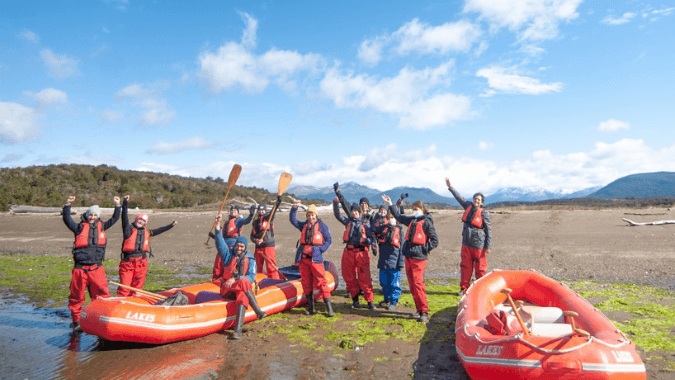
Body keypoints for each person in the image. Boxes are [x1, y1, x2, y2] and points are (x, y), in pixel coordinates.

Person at [62, 195, 121, 332]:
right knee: (77, 296)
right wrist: (67, 205)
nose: (92, 217)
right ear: (87, 215)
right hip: (80, 269)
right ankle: (76, 321)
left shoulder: (103, 226)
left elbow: (115, 219)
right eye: (90, 215)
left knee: (102, 295)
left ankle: (100, 318)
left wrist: (117, 205)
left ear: (98, 216)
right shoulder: (78, 228)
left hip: (96, 268)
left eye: (95, 215)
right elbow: (67, 219)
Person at [382, 194, 438, 322]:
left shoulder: (427, 222)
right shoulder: (412, 220)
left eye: (417, 209)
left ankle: (424, 311)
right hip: (408, 255)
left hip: (419, 258)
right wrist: (391, 203)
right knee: (412, 285)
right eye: (413, 209)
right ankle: (418, 310)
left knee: (418, 284)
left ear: (422, 209)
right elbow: (398, 216)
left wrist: (424, 249)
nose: (415, 211)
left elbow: (435, 241)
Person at [213, 214, 265, 340]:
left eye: (242, 246)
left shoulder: (250, 259)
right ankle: (258, 311)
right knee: (243, 284)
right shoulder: (228, 256)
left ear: (245, 248)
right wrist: (218, 227)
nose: (239, 248)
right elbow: (220, 243)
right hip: (227, 289)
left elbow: (251, 277)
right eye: (237, 246)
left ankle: (237, 331)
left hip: (240, 287)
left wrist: (236, 278)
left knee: (242, 292)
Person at [117, 195, 177, 297]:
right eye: (140, 219)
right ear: (136, 219)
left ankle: (136, 302)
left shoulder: (147, 232)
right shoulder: (128, 229)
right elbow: (124, 217)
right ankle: (123, 303)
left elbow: (159, 230)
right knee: (125, 287)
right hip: (128, 263)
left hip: (141, 262)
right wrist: (125, 202)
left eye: (143, 220)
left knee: (138, 287)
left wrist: (171, 225)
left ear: (146, 223)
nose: (141, 221)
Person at [445, 178, 492, 295]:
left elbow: (488, 230)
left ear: (481, 202)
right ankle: (464, 288)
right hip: (466, 243)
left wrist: (488, 246)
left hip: (479, 245)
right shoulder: (468, 206)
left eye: (479, 200)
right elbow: (459, 197)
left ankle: (480, 289)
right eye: (475, 199)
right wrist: (450, 187)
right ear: (473, 199)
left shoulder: (484, 213)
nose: (476, 201)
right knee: (465, 267)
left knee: (480, 269)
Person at [289, 200, 334, 317]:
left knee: (321, 282)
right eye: (309, 215)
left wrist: (321, 249)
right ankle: (311, 308)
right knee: (306, 283)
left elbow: (329, 240)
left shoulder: (322, 226)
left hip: (316, 259)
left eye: (312, 214)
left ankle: (329, 308)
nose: (310, 217)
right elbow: (293, 221)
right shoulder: (304, 225)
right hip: (304, 260)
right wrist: (294, 208)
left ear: (316, 215)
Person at [333, 197, 376, 310]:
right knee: (349, 277)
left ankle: (370, 302)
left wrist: (367, 241)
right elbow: (337, 215)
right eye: (352, 212)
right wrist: (336, 203)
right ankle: (355, 300)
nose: (354, 213)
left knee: (365, 278)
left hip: (361, 253)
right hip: (349, 252)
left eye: (356, 211)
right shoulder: (348, 222)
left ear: (359, 212)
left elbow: (372, 238)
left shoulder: (365, 225)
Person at [209, 204, 255, 282]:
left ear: (237, 213)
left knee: (229, 266)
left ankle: (230, 279)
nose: (233, 211)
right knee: (218, 265)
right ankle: (216, 281)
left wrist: (251, 215)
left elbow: (246, 221)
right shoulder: (226, 223)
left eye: (235, 210)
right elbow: (221, 239)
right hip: (224, 247)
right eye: (232, 210)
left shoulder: (238, 221)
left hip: (232, 247)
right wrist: (214, 236)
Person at [370, 211, 405, 311]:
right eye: (389, 218)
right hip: (383, 261)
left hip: (394, 262)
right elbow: (374, 229)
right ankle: (386, 299)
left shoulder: (400, 231)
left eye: (393, 218)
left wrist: (400, 263)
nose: (391, 220)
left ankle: (393, 301)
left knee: (394, 283)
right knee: (384, 281)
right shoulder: (383, 229)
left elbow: (402, 248)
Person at [250, 196, 283, 280]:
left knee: (270, 265)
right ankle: (258, 282)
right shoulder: (255, 222)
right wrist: (255, 240)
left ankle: (274, 281)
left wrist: (278, 202)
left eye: (263, 210)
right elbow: (252, 236)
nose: (261, 211)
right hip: (258, 247)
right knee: (257, 266)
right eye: (260, 210)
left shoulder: (269, 218)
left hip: (268, 246)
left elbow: (273, 210)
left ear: (265, 211)